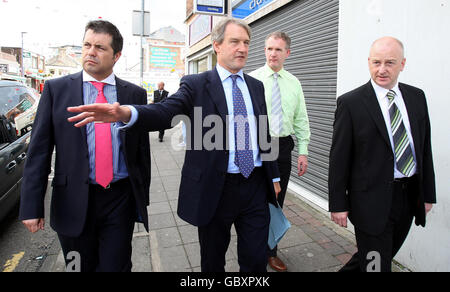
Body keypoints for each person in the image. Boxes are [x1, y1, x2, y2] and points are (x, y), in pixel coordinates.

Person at [67, 18, 282, 272]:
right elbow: (165, 112)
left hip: (255, 186)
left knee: (256, 260)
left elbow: (263, 133)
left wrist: (274, 176)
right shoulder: (196, 84)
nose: (243, 48)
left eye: (246, 42)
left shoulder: (256, 87)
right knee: (213, 262)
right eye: (235, 42)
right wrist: (126, 113)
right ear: (217, 46)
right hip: (216, 188)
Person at [19, 20, 151, 272]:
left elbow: (141, 153)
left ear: (116, 56)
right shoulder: (57, 89)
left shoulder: (134, 94)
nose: (91, 52)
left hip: (118, 199)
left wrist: (140, 198)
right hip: (72, 200)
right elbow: (39, 150)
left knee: (117, 266)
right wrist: (31, 205)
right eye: (87, 45)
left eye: (100, 47)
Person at [328, 37, 436, 272]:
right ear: (368, 62)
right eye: (376, 62)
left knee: (377, 257)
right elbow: (339, 159)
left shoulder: (417, 98)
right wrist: (338, 203)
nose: (382, 69)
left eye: (390, 62)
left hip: (408, 197)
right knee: (376, 264)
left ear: (402, 64)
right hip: (370, 201)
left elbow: (424, 149)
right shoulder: (351, 103)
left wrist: (427, 194)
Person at [250, 31, 310, 272]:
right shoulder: (251, 79)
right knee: (254, 200)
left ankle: (271, 251)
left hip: (282, 147)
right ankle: (252, 248)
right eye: (269, 49)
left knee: (276, 201)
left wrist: (303, 151)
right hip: (257, 146)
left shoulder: (294, 83)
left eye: (278, 49)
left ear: (287, 53)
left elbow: (301, 119)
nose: (272, 53)